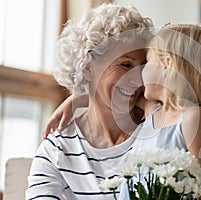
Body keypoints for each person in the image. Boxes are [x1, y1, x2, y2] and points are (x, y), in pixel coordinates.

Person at [43, 24, 201, 198]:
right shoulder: (154, 113)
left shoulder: (193, 118)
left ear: (167, 65)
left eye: (146, 63)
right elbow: (111, 94)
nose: (138, 75)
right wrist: (75, 100)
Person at [26, 3, 153, 199]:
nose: (138, 79)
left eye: (143, 66)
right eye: (125, 64)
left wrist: (80, 99)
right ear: (87, 68)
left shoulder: (159, 131)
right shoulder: (57, 151)